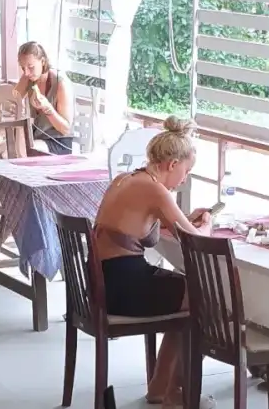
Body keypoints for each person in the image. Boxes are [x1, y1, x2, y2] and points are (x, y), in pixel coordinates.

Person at [94, 116, 215, 407]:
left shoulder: (126, 179)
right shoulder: (154, 189)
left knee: (187, 294)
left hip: (104, 281)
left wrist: (182, 220)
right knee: (204, 296)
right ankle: (175, 391)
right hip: (123, 286)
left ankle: (162, 386)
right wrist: (207, 226)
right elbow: (195, 241)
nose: (185, 179)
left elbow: (140, 227)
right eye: (186, 171)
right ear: (172, 164)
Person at [13, 41, 75, 154]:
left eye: (31, 67)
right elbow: (12, 100)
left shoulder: (60, 84)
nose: (26, 73)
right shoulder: (29, 77)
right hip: (34, 136)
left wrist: (47, 108)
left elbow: (66, 129)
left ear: (43, 61)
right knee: (5, 145)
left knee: (24, 148)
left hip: (58, 141)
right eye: (23, 68)